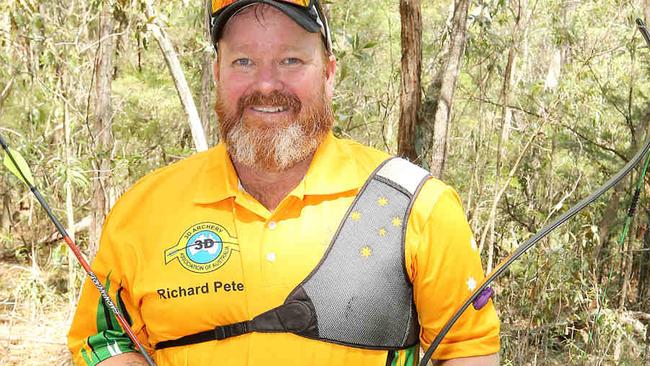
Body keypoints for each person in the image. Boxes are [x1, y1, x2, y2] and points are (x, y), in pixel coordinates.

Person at [67, 1, 500, 365]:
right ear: (217, 73)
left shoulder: (415, 203)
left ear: (330, 74)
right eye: (244, 61)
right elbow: (103, 341)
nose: (267, 84)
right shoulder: (144, 210)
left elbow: (467, 346)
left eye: (291, 59)